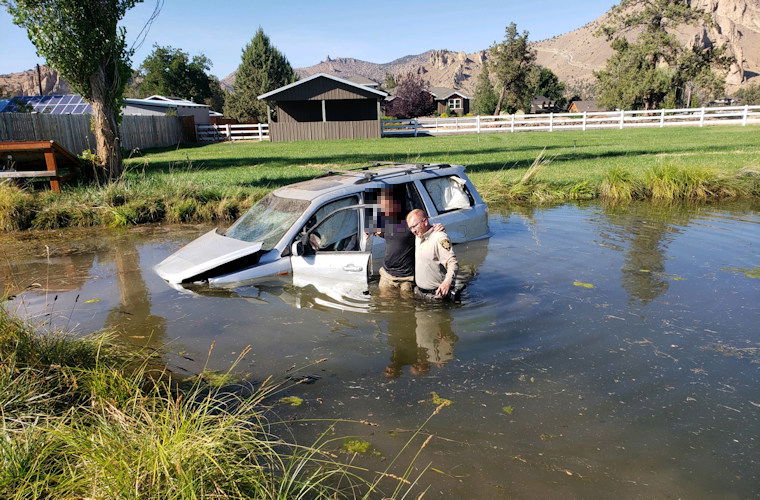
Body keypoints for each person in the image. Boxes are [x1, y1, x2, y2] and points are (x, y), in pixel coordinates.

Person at [372, 186, 443, 297]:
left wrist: (438, 228)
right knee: (385, 305)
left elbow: (427, 231)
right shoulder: (383, 221)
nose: (382, 210)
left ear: (395, 204)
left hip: (407, 277)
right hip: (386, 274)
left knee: (408, 306)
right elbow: (392, 238)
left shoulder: (410, 221)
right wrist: (371, 232)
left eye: (385, 207)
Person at [406, 208, 458, 300]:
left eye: (414, 226)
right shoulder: (418, 236)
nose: (413, 231)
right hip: (419, 292)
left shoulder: (439, 238)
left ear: (425, 222)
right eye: (410, 228)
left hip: (436, 294)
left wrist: (447, 282)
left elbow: (452, 263)